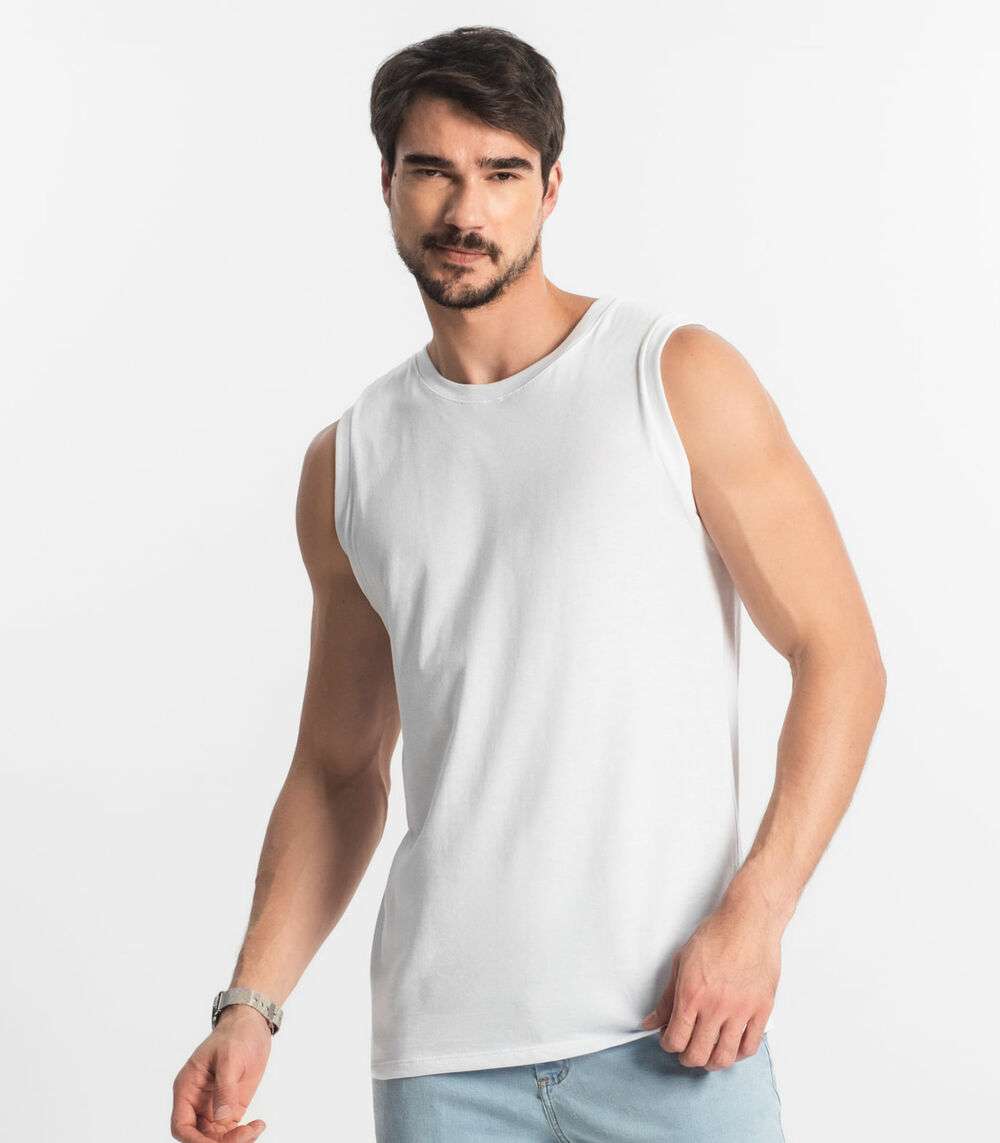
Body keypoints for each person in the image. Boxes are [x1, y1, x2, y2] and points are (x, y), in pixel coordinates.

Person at [170, 24, 887, 1143]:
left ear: (551, 189)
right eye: (433, 170)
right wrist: (250, 1006)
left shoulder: (671, 378)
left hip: (675, 1036)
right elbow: (339, 770)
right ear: (386, 183)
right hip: (443, 1065)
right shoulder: (350, 462)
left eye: (502, 173)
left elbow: (838, 654)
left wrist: (758, 913)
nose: (467, 210)